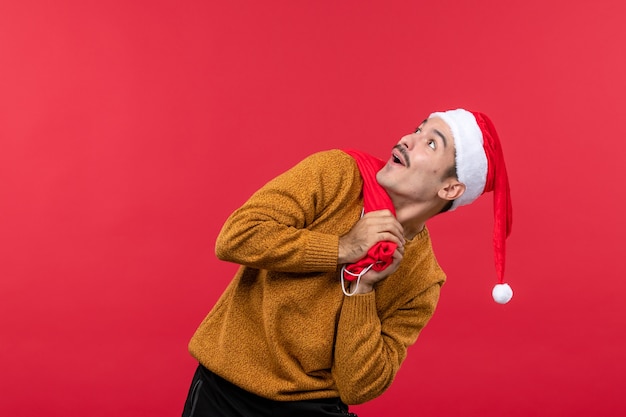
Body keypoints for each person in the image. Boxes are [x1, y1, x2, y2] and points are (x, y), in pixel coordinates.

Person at [182, 109, 513, 417]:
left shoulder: (422, 279)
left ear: (450, 187)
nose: (406, 140)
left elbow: (360, 385)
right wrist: (343, 248)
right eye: (417, 129)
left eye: (430, 143)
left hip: (314, 407)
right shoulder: (336, 174)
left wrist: (363, 288)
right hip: (222, 393)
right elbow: (236, 237)